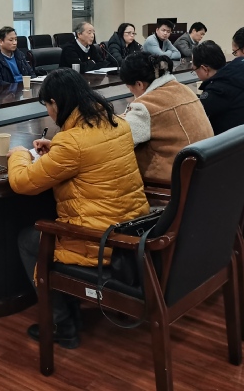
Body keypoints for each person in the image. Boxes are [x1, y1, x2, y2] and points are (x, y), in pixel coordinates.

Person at [8, 68, 149, 349]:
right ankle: (68, 310)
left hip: (100, 241)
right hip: (133, 229)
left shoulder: (72, 142)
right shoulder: (116, 123)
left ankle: (62, 325)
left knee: (29, 240)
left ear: (55, 103)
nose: (49, 112)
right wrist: (56, 149)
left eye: (47, 106)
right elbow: (90, 154)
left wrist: (20, 154)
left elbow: (22, 182)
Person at [119, 52, 213, 182]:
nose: (130, 91)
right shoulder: (184, 89)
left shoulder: (146, 106)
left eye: (129, 87)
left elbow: (118, 140)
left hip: (172, 183)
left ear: (139, 84)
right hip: (204, 173)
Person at [192, 40, 244, 135]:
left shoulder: (217, 90)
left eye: (195, 70)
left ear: (205, 69)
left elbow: (194, 114)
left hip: (236, 141)